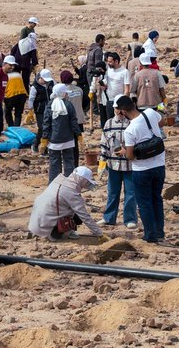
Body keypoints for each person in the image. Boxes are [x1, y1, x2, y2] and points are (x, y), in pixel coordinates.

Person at [117, 95, 167, 244]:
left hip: (142, 169)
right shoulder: (150, 113)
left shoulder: (130, 130)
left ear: (123, 112)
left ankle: (150, 235)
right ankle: (159, 232)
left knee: (145, 203)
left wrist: (124, 151)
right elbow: (162, 121)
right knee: (156, 199)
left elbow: (131, 156)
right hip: (159, 165)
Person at [29, 166, 104, 239]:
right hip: (44, 228)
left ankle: (57, 230)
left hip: (36, 222)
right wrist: (100, 233)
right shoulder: (71, 192)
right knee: (78, 217)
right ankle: (57, 233)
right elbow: (85, 216)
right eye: (87, 181)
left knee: (74, 212)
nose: (88, 184)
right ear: (82, 179)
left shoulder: (60, 180)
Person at [100, 95, 137, 229]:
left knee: (131, 193)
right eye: (116, 108)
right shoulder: (109, 123)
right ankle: (109, 218)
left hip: (129, 165)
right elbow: (104, 143)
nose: (119, 111)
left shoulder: (132, 123)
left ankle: (130, 219)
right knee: (113, 193)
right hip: (113, 165)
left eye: (120, 108)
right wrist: (102, 162)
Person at [45, 83, 82, 181]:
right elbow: (74, 122)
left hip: (53, 140)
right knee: (69, 162)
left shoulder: (50, 105)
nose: (67, 95)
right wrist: (79, 135)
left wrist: (44, 138)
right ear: (62, 93)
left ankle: (53, 184)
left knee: (54, 163)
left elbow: (46, 123)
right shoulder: (68, 105)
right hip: (68, 140)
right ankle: (69, 183)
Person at [98, 52, 129, 127]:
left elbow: (127, 89)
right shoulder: (109, 71)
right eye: (108, 61)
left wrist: (123, 104)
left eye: (110, 61)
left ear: (116, 61)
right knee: (110, 123)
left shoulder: (124, 72)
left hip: (119, 103)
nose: (108, 63)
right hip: (109, 101)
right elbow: (105, 86)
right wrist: (101, 84)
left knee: (121, 123)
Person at [29, 68, 55, 152]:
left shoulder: (51, 83)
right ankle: (36, 144)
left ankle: (46, 148)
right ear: (40, 78)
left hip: (50, 110)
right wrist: (30, 111)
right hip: (40, 110)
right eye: (45, 80)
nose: (46, 82)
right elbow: (31, 99)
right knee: (42, 128)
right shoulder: (35, 87)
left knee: (49, 127)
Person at [4, 62, 28, 128]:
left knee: (7, 112)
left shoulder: (6, 76)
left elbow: (4, 87)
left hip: (11, 95)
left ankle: (11, 128)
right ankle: (16, 129)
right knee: (18, 114)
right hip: (22, 95)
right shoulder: (18, 75)